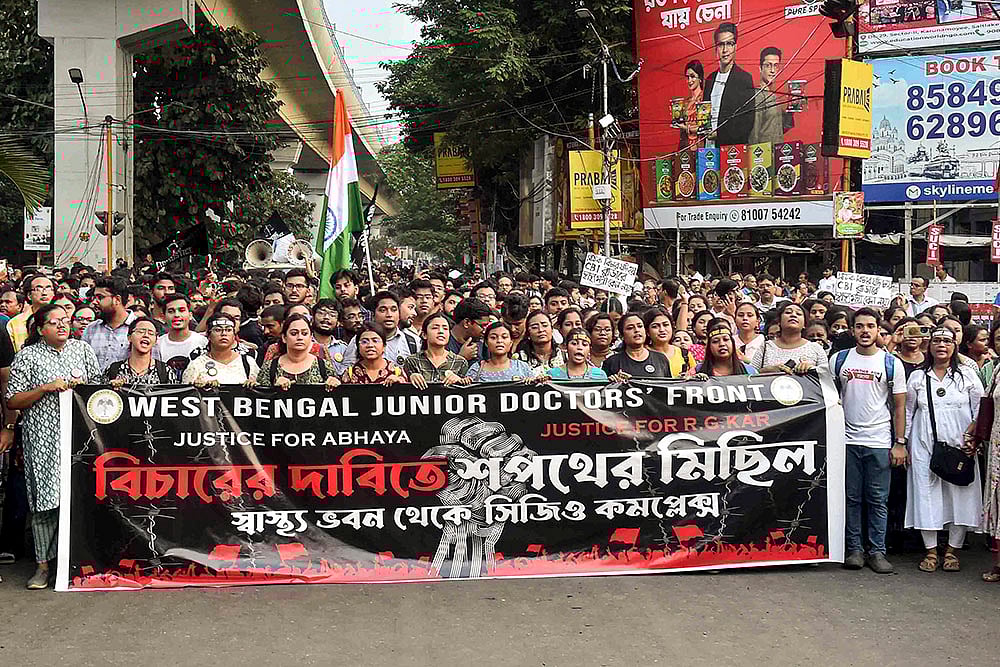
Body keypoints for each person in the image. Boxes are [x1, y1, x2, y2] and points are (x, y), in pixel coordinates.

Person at [6, 303, 100, 589]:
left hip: (80, 440)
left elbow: (98, 389)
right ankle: (43, 566)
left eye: (66, 320)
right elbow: (13, 400)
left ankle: (72, 563)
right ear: (41, 328)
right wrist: (43, 389)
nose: (63, 325)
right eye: (55, 321)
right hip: (43, 440)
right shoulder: (28, 356)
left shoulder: (82, 350)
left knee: (79, 500)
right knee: (45, 503)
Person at [832, 308, 908, 575]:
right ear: (852, 330)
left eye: (871, 326)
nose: (865, 331)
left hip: (879, 440)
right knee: (851, 498)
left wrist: (900, 442)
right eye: (860, 326)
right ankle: (854, 549)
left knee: (877, 499)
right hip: (846, 441)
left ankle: (877, 551)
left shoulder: (891, 363)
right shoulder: (839, 360)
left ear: (879, 331)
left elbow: (900, 407)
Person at [904, 327, 983, 573]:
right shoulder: (918, 376)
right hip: (923, 442)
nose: (941, 345)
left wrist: (974, 436)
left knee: (959, 494)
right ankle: (930, 551)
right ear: (929, 345)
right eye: (937, 340)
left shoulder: (967, 375)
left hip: (960, 444)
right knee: (925, 493)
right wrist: (902, 442)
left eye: (947, 341)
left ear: (954, 345)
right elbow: (908, 412)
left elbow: (980, 408)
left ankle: (952, 550)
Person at [703, 22, 755, 146]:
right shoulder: (710, 79)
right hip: (708, 147)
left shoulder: (744, 79)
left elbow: (747, 122)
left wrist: (718, 134)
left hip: (732, 152)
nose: (725, 50)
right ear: (716, 48)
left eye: (729, 44)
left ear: (735, 47)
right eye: (721, 45)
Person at [255, 314, 339, 390]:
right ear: (284, 337)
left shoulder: (324, 366)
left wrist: (335, 384)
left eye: (304, 333)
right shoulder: (270, 367)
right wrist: (275, 388)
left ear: (310, 337)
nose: (299, 337)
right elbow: (259, 396)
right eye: (294, 333)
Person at [182, 313, 259, 386]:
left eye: (228, 330)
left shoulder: (248, 363)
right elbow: (186, 393)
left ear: (234, 335)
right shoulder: (196, 365)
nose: (224, 334)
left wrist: (253, 385)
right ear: (208, 335)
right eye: (218, 330)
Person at [751, 302, 828, 374]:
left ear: (804, 324)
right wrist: (766, 371)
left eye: (798, 314)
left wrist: (811, 369)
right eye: (788, 312)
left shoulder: (815, 348)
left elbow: (826, 377)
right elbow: (750, 375)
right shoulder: (766, 346)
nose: (793, 315)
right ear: (779, 322)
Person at [404, 313, 471, 389]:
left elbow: (466, 391)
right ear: (424, 335)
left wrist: (460, 381)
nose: (441, 331)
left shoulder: (460, 362)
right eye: (435, 328)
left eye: (445, 328)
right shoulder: (412, 361)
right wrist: (410, 378)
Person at [104, 317, 177, 386]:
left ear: (155, 341)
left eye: (151, 333)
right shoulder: (113, 370)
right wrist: (110, 388)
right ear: (129, 337)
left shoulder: (165, 371)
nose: (146, 335)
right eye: (140, 331)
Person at [82, 276, 135, 372]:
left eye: (100, 297)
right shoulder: (91, 329)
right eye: (94, 297)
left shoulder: (139, 327)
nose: (94, 302)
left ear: (117, 300)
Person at [602, 312, 671, 381]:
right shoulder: (612, 362)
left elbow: (669, 386)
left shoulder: (661, 359)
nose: (637, 330)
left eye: (640, 326)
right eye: (630, 328)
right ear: (622, 336)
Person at [467, 321, 543, 383]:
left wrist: (535, 381)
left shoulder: (521, 367)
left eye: (504, 337)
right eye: (493, 337)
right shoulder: (476, 369)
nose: (499, 341)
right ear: (486, 343)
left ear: (511, 342)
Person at [748, 46, 793, 145]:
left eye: (776, 66)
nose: (772, 70)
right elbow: (753, 134)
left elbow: (781, 128)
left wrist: (792, 108)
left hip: (777, 153)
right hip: (762, 155)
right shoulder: (758, 96)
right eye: (768, 65)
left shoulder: (773, 96)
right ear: (760, 68)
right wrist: (754, 158)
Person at [153, 295, 207, 375]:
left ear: (190, 315)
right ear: (163, 317)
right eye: (171, 311)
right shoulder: (157, 344)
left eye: (181, 310)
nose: (177, 315)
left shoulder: (203, 342)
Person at [340, 324, 409, 386]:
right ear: (358, 347)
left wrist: (399, 384)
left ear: (384, 346)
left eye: (375, 341)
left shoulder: (396, 371)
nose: (370, 345)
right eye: (364, 342)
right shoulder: (350, 373)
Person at [8, 274, 55, 352]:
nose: (44, 293)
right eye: (38, 289)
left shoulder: (61, 320)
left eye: (48, 288)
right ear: (29, 295)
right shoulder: (15, 323)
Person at [643, 307, 695, 377]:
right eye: (655, 326)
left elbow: (695, 376)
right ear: (647, 332)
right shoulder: (642, 354)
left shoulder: (684, 354)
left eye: (665, 325)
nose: (662, 330)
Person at [448, 297, 492, 362]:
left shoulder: (482, 346)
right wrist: (461, 358)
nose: (485, 330)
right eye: (482, 326)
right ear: (466, 323)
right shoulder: (442, 344)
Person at [678, 60, 705, 150]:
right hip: (686, 147)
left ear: (700, 78)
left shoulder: (704, 100)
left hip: (701, 147)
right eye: (687, 77)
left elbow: (705, 128)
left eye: (692, 76)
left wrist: (686, 128)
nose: (689, 80)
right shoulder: (686, 102)